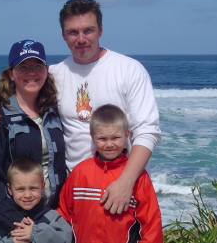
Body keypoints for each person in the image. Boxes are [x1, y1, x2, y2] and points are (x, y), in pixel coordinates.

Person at [0, 0, 161, 214]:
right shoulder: (56, 74)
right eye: (73, 32)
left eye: (88, 30)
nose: (81, 39)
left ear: (100, 30)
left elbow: (147, 131)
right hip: (74, 193)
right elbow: (22, 85)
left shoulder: (129, 70)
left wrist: (126, 183)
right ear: (63, 35)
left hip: (120, 187)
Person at [0, 40, 67, 238]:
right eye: (23, 67)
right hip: (4, 225)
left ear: (46, 70)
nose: (31, 72)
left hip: (44, 218)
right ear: (11, 73)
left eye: (37, 66)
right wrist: (19, 226)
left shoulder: (53, 111)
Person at [57, 104, 163, 243]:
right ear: (92, 136)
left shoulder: (137, 176)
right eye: (103, 139)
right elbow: (64, 213)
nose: (109, 145)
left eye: (115, 138)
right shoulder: (80, 172)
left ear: (126, 135)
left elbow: (151, 224)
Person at [0, 157, 72, 243]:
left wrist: (36, 234)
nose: (27, 195)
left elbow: (66, 239)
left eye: (33, 188)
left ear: (43, 187)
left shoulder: (52, 217)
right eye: (20, 189)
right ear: (9, 189)